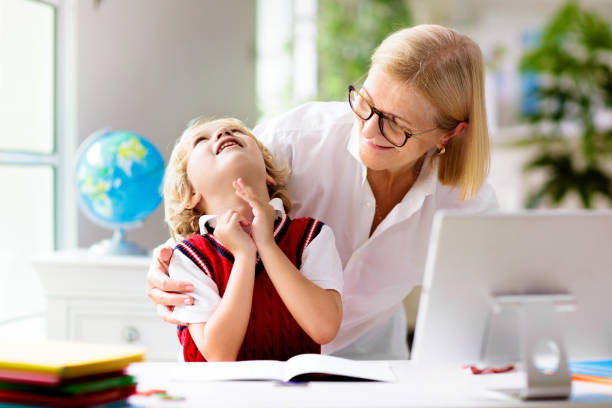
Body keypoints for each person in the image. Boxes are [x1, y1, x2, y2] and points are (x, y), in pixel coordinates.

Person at [147, 24, 497, 360]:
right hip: (257, 358)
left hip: (372, 359)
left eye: (397, 124)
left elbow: (489, 300)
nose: (370, 130)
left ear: (448, 135)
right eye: (366, 102)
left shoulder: (465, 203)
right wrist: (166, 265)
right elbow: (206, 201)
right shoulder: (294, 141)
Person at [163, 117, 343, 362]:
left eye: (235, 130)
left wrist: (267, 245)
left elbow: (324, 328)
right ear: (192, 192)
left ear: (269, 175)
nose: (223, 132)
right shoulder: (188, 257)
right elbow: (219, 355)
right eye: (201, 140)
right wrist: (244, 256)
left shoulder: (313, 236)